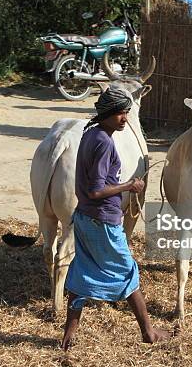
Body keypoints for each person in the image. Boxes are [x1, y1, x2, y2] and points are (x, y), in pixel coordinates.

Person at [61, 86, 172, 350]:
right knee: (128, 272)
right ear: (108, 113)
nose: (125, 119)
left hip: (85, 217)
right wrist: (129, 186)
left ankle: (68, 335)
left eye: (127, 113)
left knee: (82, 272)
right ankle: (148, 332)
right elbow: (97, 190)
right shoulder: (103, 141)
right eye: (121, 114)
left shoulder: (90, 134)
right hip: (103, 220)